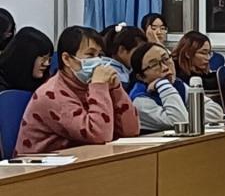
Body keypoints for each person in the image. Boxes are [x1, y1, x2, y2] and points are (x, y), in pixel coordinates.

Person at [15, 26, 140, 156]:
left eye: (100, 55)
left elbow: (131, 131)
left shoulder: (90, 85)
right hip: (42, 165)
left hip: (81, 158)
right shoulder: (51, 94)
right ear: (67, 59)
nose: (98, 61)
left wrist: (115, 88)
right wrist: (99, 86)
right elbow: (100, 135)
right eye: (90, 55)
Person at [129, 42, 224, 132]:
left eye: (166, 59)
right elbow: (179, 121)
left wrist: (186, 115)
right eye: (154, 65)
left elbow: (216, 112)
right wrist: (163, 85)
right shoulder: (140, 101)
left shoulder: (178, 85)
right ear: (141, 77)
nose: (165, 67)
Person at [171, 31, 221, 104]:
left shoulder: (211, 77)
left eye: (209, 53)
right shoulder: (176, 79)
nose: (208, 58)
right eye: (203, 53)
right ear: (188, 53)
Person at [0, 27, 54, 93]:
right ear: (27, 57)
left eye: (49, 59)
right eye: (44, 59)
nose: (47, 63)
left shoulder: (46, 83)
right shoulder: (3, 88)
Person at [103, 24, 147, 90]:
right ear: (122, 50)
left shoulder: (127, 71)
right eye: (139, 51)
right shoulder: (112, 76)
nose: (143, 56)